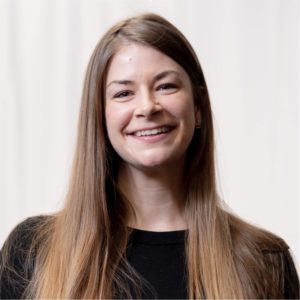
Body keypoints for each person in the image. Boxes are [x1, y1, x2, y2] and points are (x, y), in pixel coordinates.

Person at [0, 13, 299, 299]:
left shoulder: (263, 259)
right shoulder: (32, 251)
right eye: (123, 93)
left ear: (197, 108)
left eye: (166, 86)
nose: (147, 107)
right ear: (100, 117)